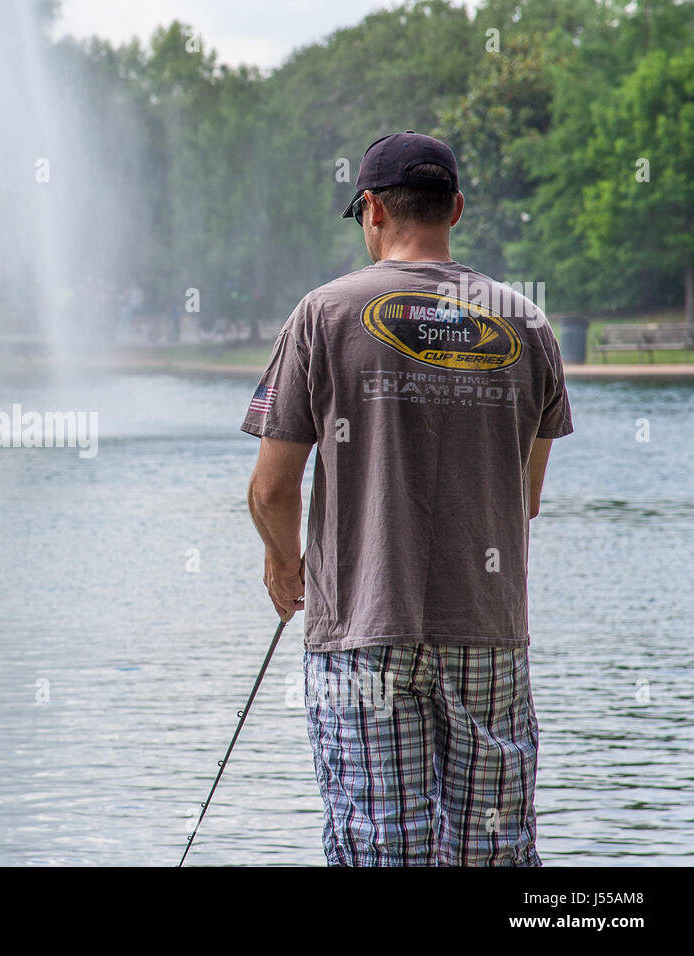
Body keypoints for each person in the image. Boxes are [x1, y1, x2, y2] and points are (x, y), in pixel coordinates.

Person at [242, 131, 572, 866]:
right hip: (488, 633)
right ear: (454, 207)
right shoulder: (526, 323)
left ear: (371, 210)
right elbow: (526, 500)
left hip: (363, 630)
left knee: (380, 844)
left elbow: (270, 489)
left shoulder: (322, 315)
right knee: (494, 848)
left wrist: (283, 566)